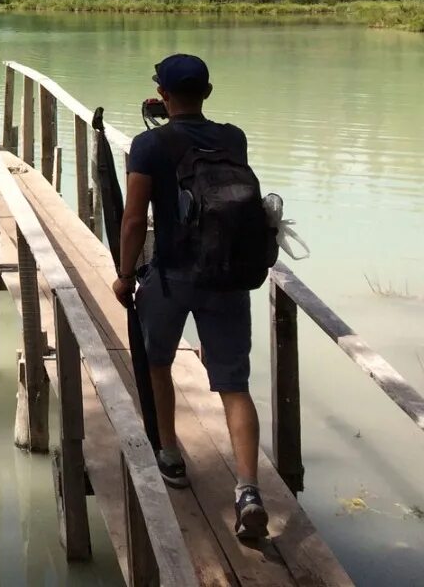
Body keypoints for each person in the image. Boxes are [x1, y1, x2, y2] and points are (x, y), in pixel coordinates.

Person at [111, 54, 268, 543]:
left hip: (172, 275)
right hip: (228, 276)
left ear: (161, 95)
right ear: (208, 92)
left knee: (158, 363)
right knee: (232, 383)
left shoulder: (148, 144)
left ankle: (171, 454)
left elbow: (135, 218)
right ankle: (248, 490)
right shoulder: (234, 137)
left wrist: (122, 274)